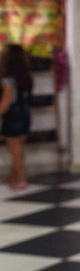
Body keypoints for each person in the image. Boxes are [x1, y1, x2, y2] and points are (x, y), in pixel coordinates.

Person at [0, 44, 33, 190]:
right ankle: (14, 176)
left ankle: (21, 179)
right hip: (25, 113)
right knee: (20, 149)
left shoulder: (7, 79)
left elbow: (7, 101)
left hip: (12, 116)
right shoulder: (26, 77)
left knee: (14, 151)